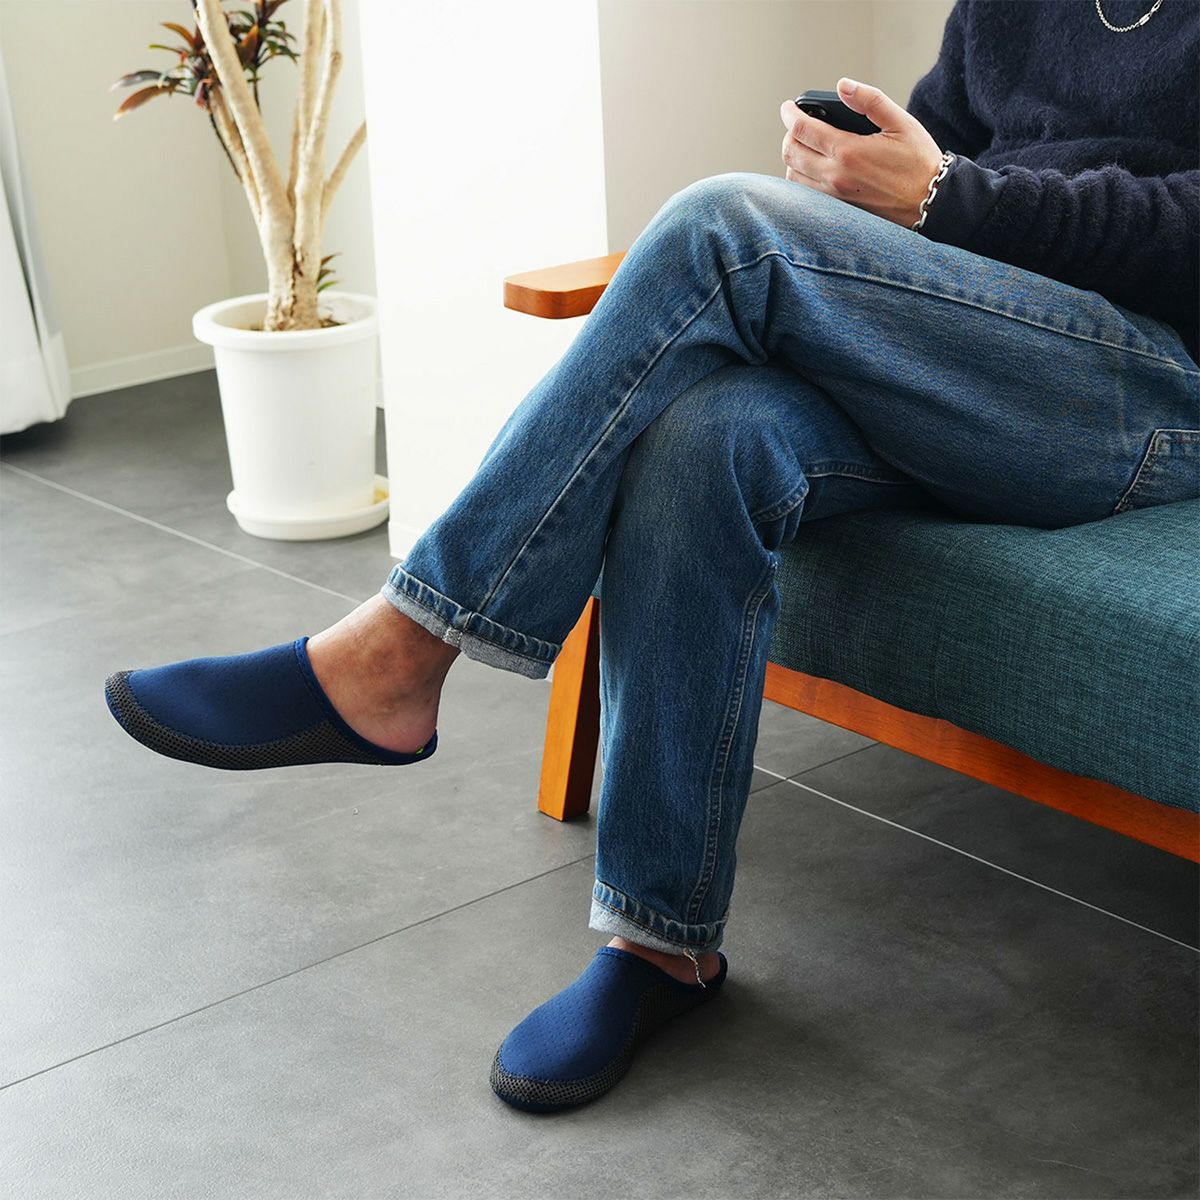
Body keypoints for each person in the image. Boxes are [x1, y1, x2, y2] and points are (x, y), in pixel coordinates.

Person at [104, 0, 1199, 1114]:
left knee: (726, 223)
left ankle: (398, 652)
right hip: (988, 352)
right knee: (702, 439)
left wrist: (948, 197)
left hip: (1148, 397)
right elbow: (936, 160)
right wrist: (863, 184)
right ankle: (659, 943)